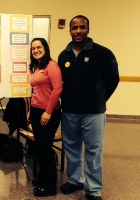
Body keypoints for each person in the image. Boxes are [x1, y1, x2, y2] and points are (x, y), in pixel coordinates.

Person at [58, 15, 119, 200]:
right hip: (69, 112)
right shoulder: (64, 55)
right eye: (74, 28)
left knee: (93, 150)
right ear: (70, 30)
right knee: (71, 148)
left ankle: (93, 189)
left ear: (88, 29)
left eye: (82, 27)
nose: (78, 31)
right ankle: (76, 180)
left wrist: (100, 99)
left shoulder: (103, 53)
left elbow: (113, 79)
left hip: (93, 113)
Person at [28, 37, 62, 197]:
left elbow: (57, 90)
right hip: (36, 111)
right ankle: (43, 177)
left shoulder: (52, 65)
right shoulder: (37, 66)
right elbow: (37, 90)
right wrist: (31, 110)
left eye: (39, 47)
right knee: (39, 148)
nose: (36, 50)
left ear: (45, 48)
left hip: (48, 113)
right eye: (33, 48)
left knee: (45, 148)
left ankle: (50, 186)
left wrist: (48, 112)